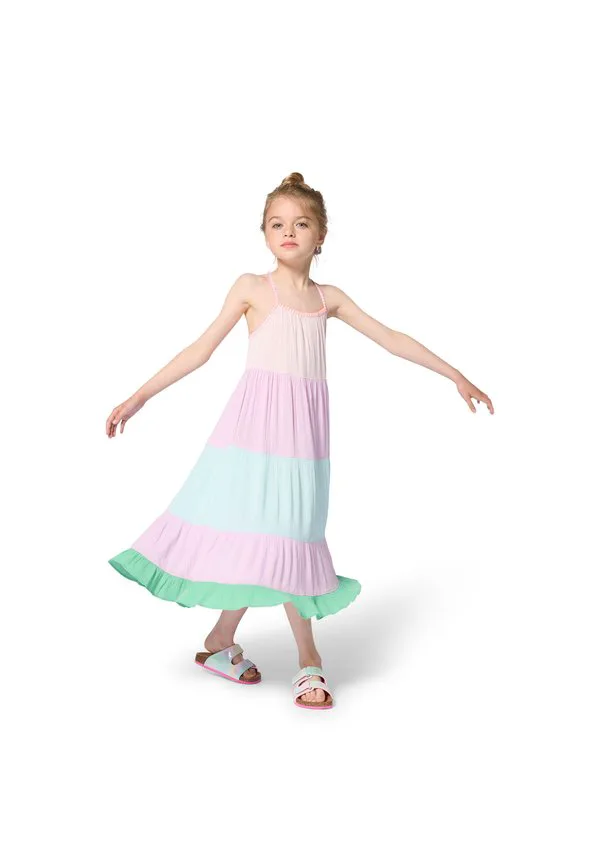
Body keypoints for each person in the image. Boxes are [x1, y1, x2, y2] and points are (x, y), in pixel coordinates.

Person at [106, 171, 494, 710]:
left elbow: (392, 339)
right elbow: (200, 349)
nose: (288, 232)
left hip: (305, 443)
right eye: (277, 224)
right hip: (252, 437)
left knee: (282, 539)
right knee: (274, 538)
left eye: (301, 223)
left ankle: (220, 640)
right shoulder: (252, 287)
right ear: (265, 234)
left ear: (321, 236)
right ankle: (310, 661)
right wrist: (140, 396)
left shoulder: (327, 299)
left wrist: (455, 375)